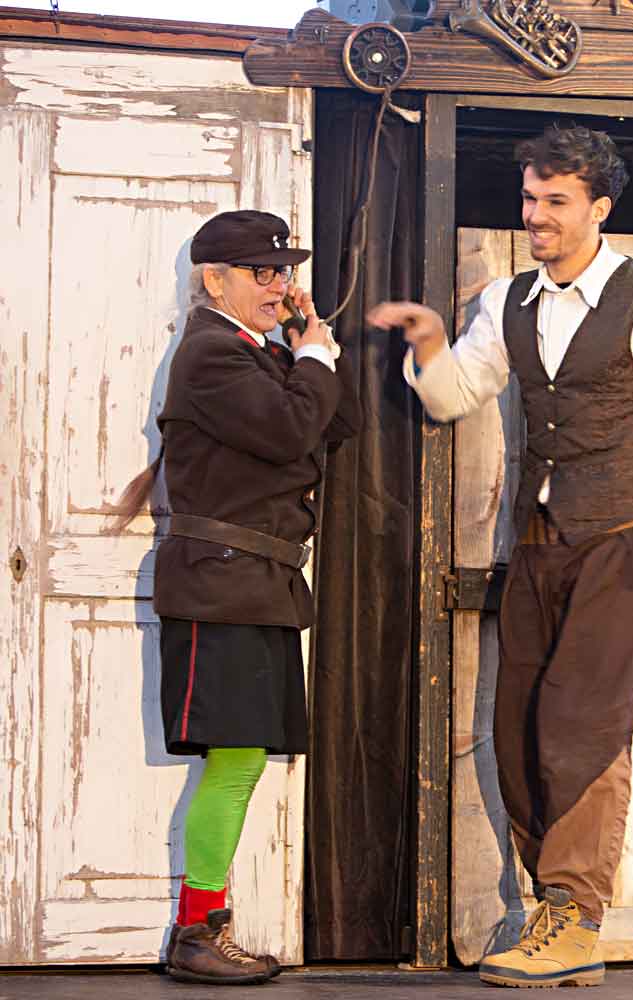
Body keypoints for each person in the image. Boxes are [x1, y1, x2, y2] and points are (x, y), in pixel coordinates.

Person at [368, 126, 633, 988]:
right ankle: (553, 912)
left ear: (598, 208)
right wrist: (430, 342)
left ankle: (576, 917)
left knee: (581, 722)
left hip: (627, 536)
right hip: (539, 542)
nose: (535, 215)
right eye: (530, 198)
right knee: (518, 727)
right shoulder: (508, 301)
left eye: (555, 201)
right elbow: (455, 396)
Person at [117, 210, 361, 985]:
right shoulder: (211, 354)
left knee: (243, 757)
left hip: (255, 584)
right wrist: (309, 360)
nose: (280, 285)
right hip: (220, 584)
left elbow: (339, 423)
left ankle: (202, 927)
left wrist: (308, 346)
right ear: (213, 280)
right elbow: (292, 433)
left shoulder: (259, 353)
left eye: (284, 272)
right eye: (263, 273)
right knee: (234, 759)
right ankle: (198, 932)